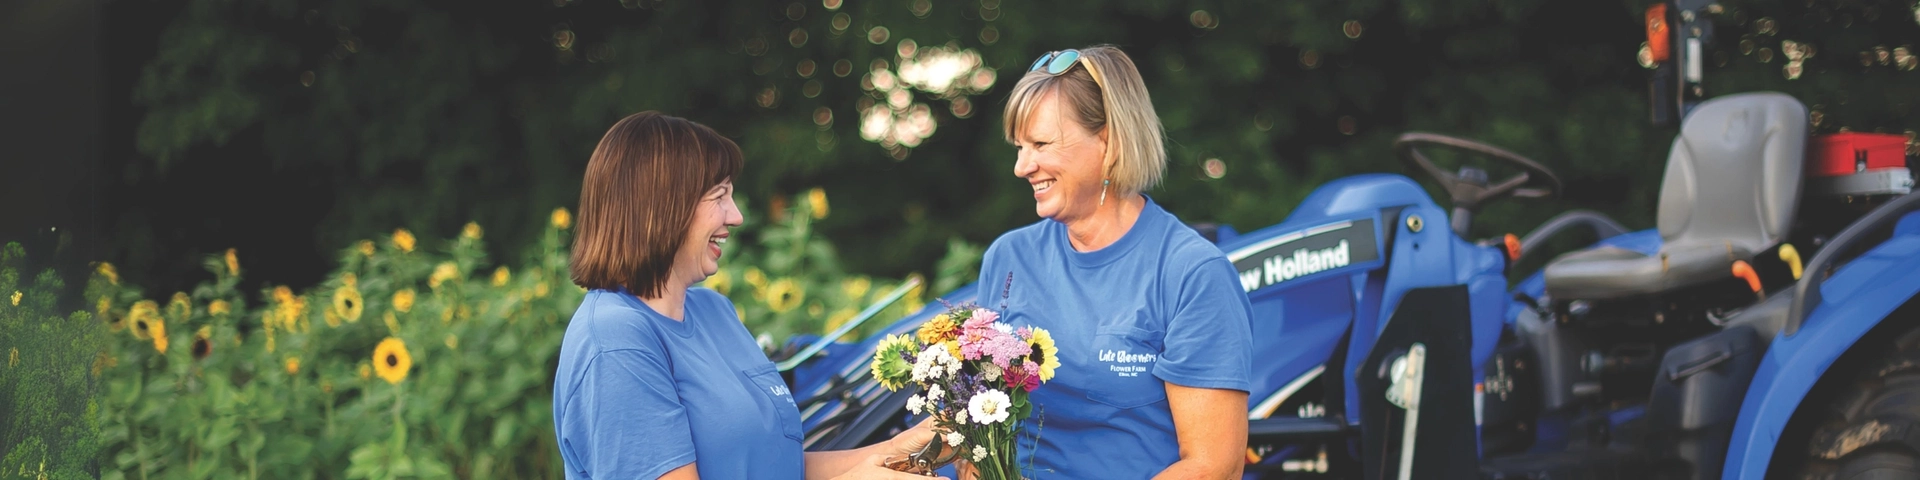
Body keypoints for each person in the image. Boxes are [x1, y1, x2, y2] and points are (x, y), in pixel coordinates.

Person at [551, 111, 944, 480]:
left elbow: (777, 468)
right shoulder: (616, 343)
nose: (736, 216)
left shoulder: (713, 311)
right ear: (662, 206)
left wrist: (895, 452)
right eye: (719, 196)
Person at [974, 45, 1254, 478]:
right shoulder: (1008, 259)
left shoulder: (1192, 273)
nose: (1022, 166)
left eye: (1041, 143)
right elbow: (978, 428)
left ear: (1108, 141)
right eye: (1019, 146)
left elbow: (1212, 465)